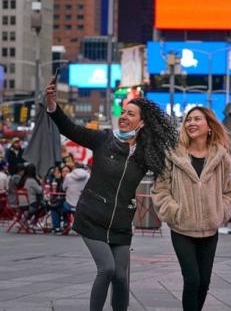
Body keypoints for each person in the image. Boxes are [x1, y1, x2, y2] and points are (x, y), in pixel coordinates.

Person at [46, 80, 177, 311]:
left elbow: (175, 165)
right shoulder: (104, 140)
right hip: (92, 216)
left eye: (131, 114)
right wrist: (52, 105)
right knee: (107, 268)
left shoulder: (147, 154)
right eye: (123, 112)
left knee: (121, 278)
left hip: (120, 223)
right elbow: (70, 129)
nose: (124, 116)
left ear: (142, 122)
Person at [152, 107, 231, 311]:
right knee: (192, 280)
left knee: (204, 283)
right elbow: (160, 189)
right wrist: (174, 211)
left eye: (197, 119)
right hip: (182, 229)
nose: (191, 123)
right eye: (188, 119)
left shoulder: (222, 157)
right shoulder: (173, 154)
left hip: (210, 230)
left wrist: (221, 211)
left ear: (209, 126)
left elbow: (229, 191)